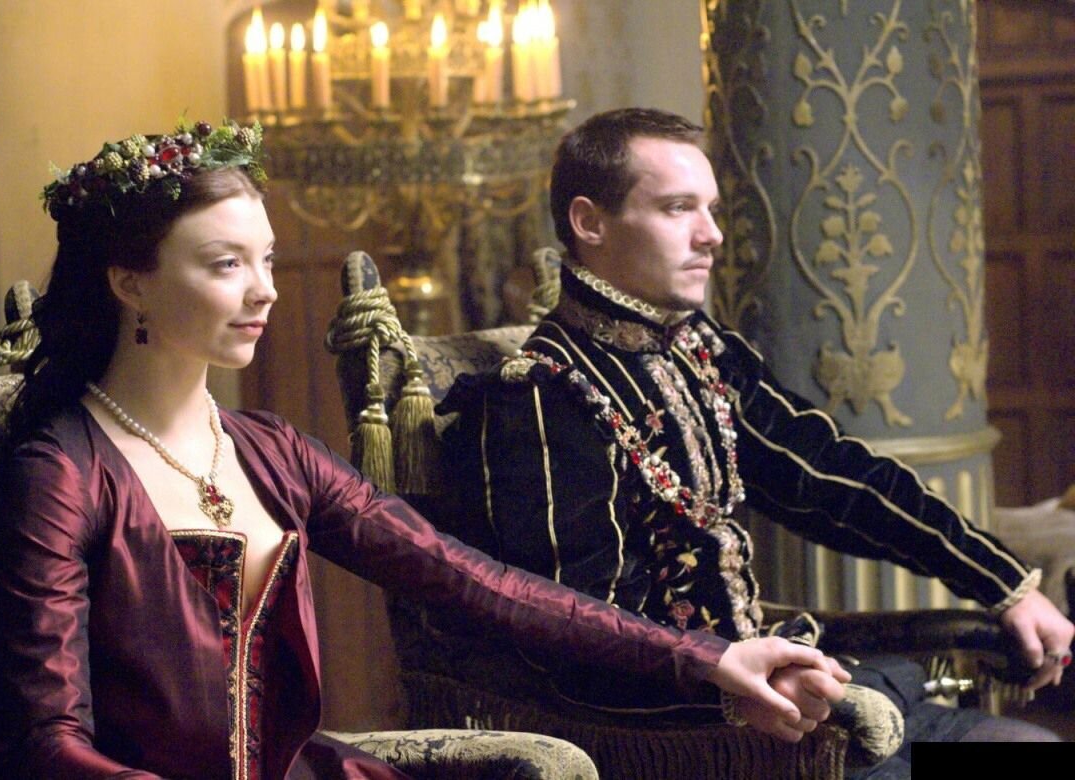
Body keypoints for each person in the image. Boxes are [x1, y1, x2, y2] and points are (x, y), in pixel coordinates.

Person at [0, 119, 851, 780]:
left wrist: (713, 660)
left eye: (269, 260)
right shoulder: (64, 470)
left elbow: (478, 584)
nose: (264, 292)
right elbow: (51, 743)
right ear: (129, 281)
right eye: (225, 265)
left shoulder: (271, 452)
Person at [437, 108, 1075, 768]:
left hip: (792, 693)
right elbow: (579, 634)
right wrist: (739, 688)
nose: (711, 234)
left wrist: (1003, 582)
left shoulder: (698, 349)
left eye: (710, 209)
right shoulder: (543, 397)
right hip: (690, 732)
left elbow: (829, 478)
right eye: (678, 208)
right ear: (589, 223)